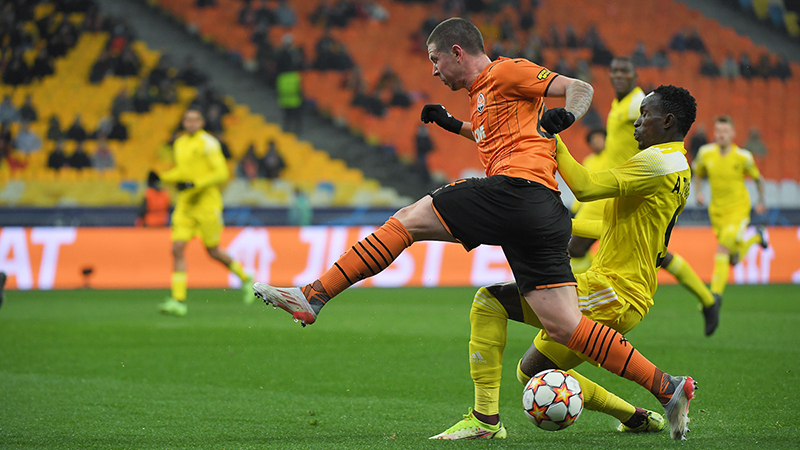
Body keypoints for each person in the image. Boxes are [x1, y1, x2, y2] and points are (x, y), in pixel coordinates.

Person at [253, 18, 693, 440]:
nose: (433, 70)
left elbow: (579, 87)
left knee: (407, 220)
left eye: (435, 59)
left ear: (457, 52)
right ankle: (665, 387)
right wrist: (452, 125)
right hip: (542, 212)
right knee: (561, 324)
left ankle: (314, 294)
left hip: (516, 191)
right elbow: (492, 135)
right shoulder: (483, 96)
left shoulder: (506, 71)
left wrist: (568, 116)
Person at [435, 85, 700, 441]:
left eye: (644, 115)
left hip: (614, 289)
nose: (637, 123)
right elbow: (611, 227)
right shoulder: (677, 166)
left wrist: (550, 138)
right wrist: (553, 222)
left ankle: (485, 420)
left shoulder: (657, 161)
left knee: (489, 302)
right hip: (621, 288)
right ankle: (636, 417)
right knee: (532, 372)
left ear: (667, 121)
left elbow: (585, 187)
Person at [571, 57, 719, 336]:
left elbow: (660, 122)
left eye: (624, 71)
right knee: (649, 250)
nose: (618, 75)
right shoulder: (619, 104)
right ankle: (707, 299)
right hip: (616, 186)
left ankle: (589, 297)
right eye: (614, 70)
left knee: (579, 247)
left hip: (628, 184)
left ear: (634, 75)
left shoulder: (636, 103)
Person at [155, 108, 254, 316]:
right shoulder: (180, 143)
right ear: (183, 122)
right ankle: (178, 300)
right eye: (187, 120)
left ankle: (246, 278)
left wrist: (196, 183)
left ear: (201, 122)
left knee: (213, 251)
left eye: (195, 120)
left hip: (207, 205)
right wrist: (162, 178)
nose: (191, 123)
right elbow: (182, 172)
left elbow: (221, 173)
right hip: (186, 205)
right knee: (177, 248)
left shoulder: (209, 143)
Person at [692, 116, 768, 306]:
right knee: (732, 259)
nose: (721, 135)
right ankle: (756, 238)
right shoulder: (705, 153)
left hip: (738, 211)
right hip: (717, 212)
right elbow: (697, 173)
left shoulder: (743, 157)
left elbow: (759, 180)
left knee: (723, 248)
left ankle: (714, 297)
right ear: (714, 133)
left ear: (733, 134)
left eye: (725, 131)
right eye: (718, 131)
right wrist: (698, 192)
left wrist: (761, 201)